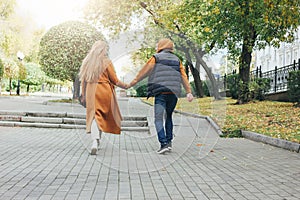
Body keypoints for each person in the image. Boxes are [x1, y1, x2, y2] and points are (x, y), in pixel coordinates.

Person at [127, 38, 193, 154]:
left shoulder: (156, 58)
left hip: (160, 93)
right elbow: (183, 77)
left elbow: (143, 72)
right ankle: (169, 142)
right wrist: (188, 92)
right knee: (168, 117)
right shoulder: (177, 60)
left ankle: (163, 144)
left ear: (161, 46)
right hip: (173, 93)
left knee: (158, 119)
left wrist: (131, 84)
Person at [79, 40, 128, 155]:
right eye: (105, 49)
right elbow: (114, 80)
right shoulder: (107, 62)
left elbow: (83, 81)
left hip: (91, 90)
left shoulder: (87, 62)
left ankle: (95, 141)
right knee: (100, 116)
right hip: (104, 90)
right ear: (102, 50)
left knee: (94, 116)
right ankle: (97, 140)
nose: (106, 51)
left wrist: (83, 94)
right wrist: (126, 85)